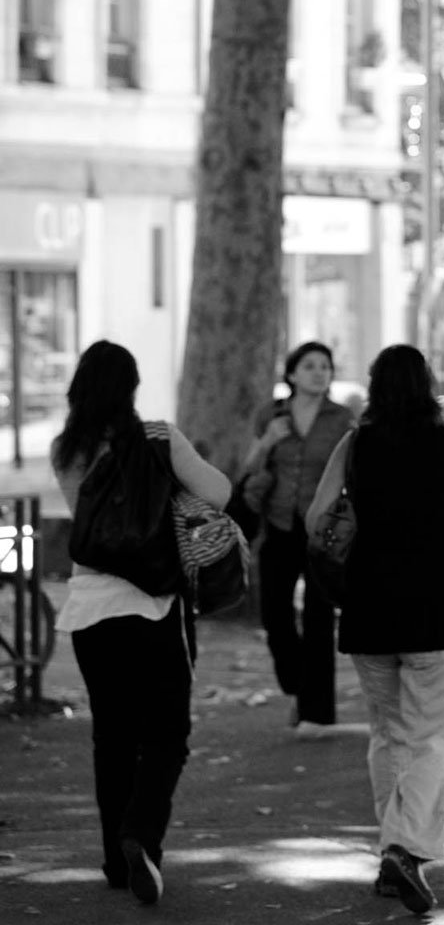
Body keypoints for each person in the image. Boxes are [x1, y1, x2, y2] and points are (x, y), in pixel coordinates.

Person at [306, 344, 444, 915]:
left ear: (374, 387)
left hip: (368, 608)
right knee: (432, 736)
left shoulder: (355, 444)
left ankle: (394, 851)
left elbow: (317, 519)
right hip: (436, 608)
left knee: (389, 733)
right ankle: (405, 848)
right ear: (428, 386)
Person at [51, 340, 231, 905]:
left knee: (112, 736)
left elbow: (88, 520)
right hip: (154, 605)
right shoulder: (160, 439)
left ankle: (115, 858)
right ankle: (141, 837)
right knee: (167, 735)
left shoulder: (66, 450)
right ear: (131, 388)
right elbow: (219, 492)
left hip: (91, 608)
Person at [242, 341, 357, 735]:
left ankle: (317, 714)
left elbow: (353, 470)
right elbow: (250, 467)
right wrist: (268, 440)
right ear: (291, 374)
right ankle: (296, 685)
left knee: (319, 618)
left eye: (325, 366)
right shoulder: (271, 415)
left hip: (325, 530)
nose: (319, 372)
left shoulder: (341, 419)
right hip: (278, 524)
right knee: (274, 613)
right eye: (309, 365)